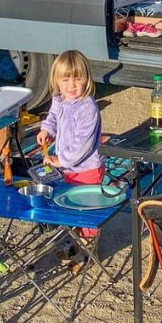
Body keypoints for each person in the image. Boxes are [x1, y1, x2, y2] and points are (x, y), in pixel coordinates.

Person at [35, 50, 103, 271]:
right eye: (65, 80)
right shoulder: (60, 99)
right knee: (69, 205)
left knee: (86, 209)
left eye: (77, 79)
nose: (71, 85)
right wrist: (47, 129)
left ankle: (88, 250)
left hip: (86, 168)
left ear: (87, 79)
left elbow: (82, 145)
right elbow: (53, 116)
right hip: (68, 168)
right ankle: (75, 243)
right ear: (57, 81)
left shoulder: (88, 108)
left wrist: (60, 159)